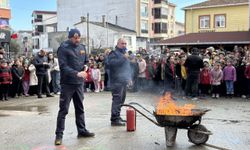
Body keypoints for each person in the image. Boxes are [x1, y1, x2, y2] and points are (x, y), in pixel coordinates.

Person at [55, 29, 94, 145]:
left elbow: (86, 61)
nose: (77, 40)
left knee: (80, 108)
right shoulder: (63, 48)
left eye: (79, 37)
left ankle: (81, 130)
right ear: (70, 37)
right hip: (67, 83)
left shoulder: (82, 47)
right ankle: (59, 135)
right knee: (63, 110)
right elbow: (63, 66)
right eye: (75, 38)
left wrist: (86, 67)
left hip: (79, 83)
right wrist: (76, 73)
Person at [108, 38, 132, 126]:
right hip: (116, 81)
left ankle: (117, 116)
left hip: (124, 80)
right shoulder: (113, 53)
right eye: (122, 43)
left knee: (121, 100)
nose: (124, 45)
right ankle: (114, 119)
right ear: (118, 44)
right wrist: (123, 58)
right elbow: (112, 64)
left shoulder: (124, 54)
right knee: (117, 100)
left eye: (125, 43)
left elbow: (127, 67)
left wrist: (129, 78)